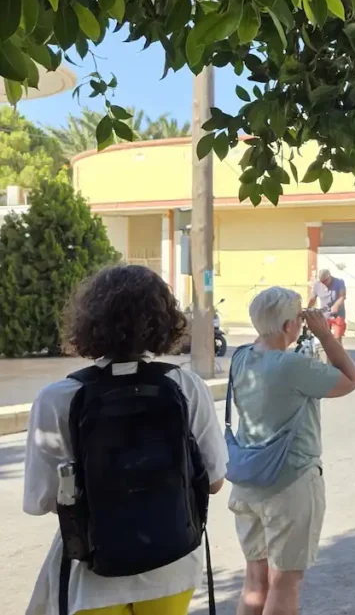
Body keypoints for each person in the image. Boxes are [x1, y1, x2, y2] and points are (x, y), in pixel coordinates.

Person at [23, 264, 228, 615]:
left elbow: (42, 500)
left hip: (94, 574)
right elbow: (213, 482)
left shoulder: (57, 397)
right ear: (164, 321)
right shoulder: (187, 386)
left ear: (88, 321)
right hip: (173, 567)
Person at [228, 287, 355, 615]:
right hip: (290, 484)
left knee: (255, 581)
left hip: (247, 483)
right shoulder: (292, 366)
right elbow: (351, 379)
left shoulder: (240, 358)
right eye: (299, 319)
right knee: (285, 582)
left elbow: (268, 340)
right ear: (289, 325)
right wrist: (325, 334)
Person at [308, 269, 346, 339]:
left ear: (330, 277)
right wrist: (308, 310)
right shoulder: (317, 285)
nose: (324, 283)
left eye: (325, 281)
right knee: (325, 338)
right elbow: (313, 299)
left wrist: (336, 305)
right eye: (322, 281)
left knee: (337, 338)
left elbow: (342, 296)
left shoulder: (339, 282)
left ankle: (337, 345)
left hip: (338, 315)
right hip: (325, 315)